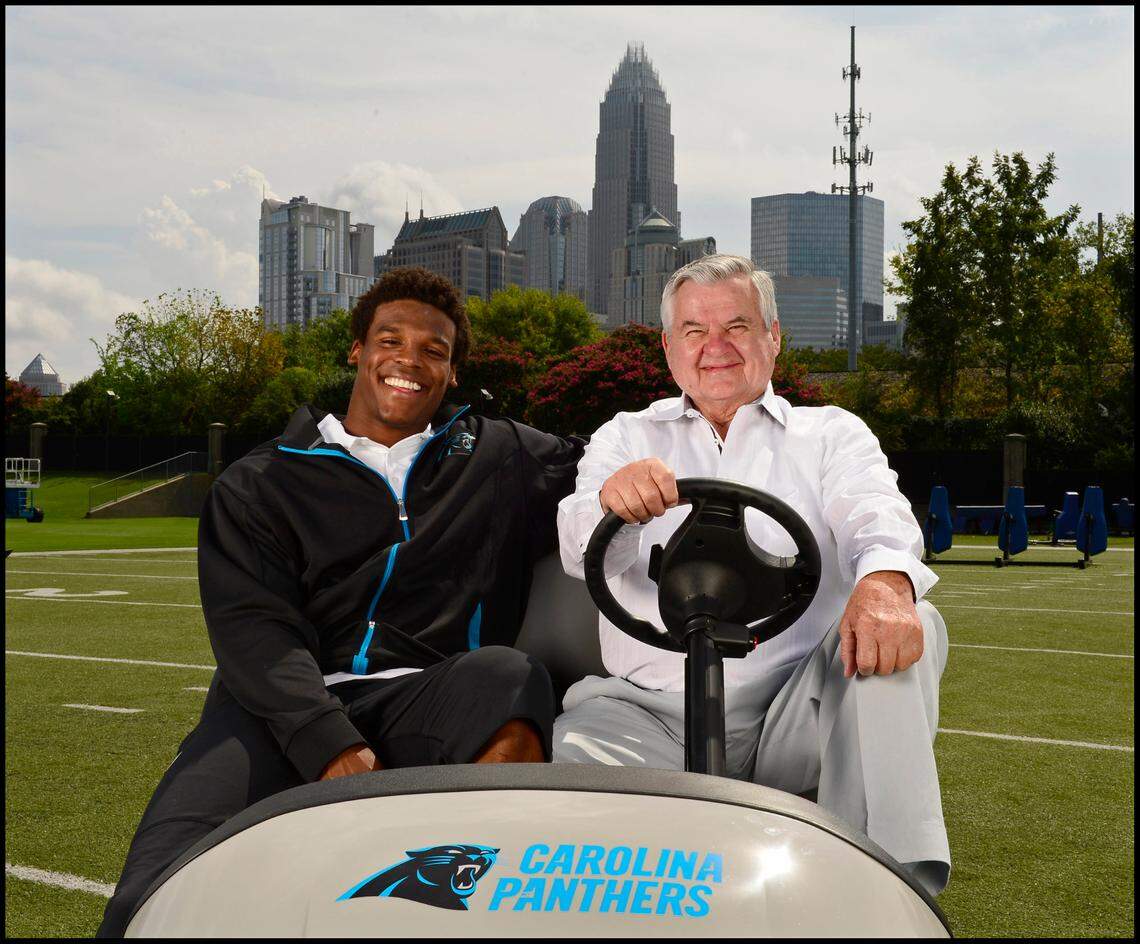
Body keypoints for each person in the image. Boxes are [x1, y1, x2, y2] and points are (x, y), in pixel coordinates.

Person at [98, 267, 585, 936]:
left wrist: (645, 466)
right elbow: (256, 633)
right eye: (391, 340)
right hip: (280, 711)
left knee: (509, 677)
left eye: (433, 350)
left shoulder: (500, 454)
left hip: (427, 692)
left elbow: (613, 458)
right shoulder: (261, 481)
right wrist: (333, 747)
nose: (409, 360)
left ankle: (474, 912)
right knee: (152, 898)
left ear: (452, 373)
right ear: (357, 349)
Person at [553, 253, 950, 896]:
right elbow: (581, 552)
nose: (715, 347)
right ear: (667, 346)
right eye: (693, 331)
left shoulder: (830, 435)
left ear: (773, 336)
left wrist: (883, 585)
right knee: (583, 775)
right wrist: (613, 506)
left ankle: (887, 890)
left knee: (911, 619)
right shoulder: (625, 437)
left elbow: (876, 514)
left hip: (794, 710)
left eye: (737, 327)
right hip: (646, 714)